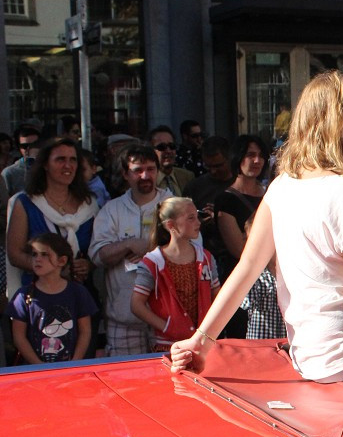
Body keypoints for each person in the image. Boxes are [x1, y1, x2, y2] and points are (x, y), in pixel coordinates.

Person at [171, 69, 343, 382]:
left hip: (308, 360)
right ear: (340, 123)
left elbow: (247, 268)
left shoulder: (282, 186)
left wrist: (201, 341)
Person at [90, 144, 170, 356]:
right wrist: (128, 245)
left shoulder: (175, 205)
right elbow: (97, 256)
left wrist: (152, 248)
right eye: (137, 170)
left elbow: (194, 252)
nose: (145, 175)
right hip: (122, 320)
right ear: (126, 174)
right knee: (125, 383)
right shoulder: (111, 210)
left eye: (151, 169)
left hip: (165, 318)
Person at [6, 138, 99, 297]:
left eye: (73, 160)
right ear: (45, 164)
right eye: (60, 159)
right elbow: (15, 254)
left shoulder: (89, 205)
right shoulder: (26, 203)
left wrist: (88, 265)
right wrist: (53, 268)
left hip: (82, 298)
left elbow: (98, 249)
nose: (68, 165)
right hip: (38, 298)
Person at [131, 197, 220, 352]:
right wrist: (167, 327)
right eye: (191, 218)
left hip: (202, 343)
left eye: (197, 216)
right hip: (168, 346)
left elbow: (217, 295)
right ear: (170, 225)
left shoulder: (205, 258)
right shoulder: (153, 262)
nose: (198, 222)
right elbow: (136, 304)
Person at [6, 232, 97, 364]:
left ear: (62, 261)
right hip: (35, 371)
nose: (37, 259)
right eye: (34, 254)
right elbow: (19, 337)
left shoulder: (78, 292)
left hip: (71, 369)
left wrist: (75, 362)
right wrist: (38, 365)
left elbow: (85, 331)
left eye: (44, 254)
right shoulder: (23, 295)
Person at [214, 135, 268, 282]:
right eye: (250, 155)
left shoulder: (270, 193)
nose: (257, 161)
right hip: (245, 282)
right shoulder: (226, 200)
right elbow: (238, 250)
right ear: (238, 157)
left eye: (261, 156)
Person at [150, 126, 194, 196]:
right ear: (151, 151)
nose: (168, 151)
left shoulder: (187, 176)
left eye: (172, 146)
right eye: (162, 147)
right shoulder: (147, 180)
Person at [2, 125, 41, 196]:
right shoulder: (10, 173)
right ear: (19, 148)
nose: (30, 149)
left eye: (34, 145)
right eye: (25, 146)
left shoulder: (52, 168)